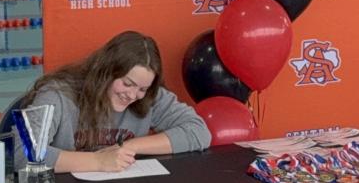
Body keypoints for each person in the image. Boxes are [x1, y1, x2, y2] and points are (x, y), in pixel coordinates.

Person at [14, 31, 212, 173]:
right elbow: (21, 152)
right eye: (127, 83)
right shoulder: (58, 95)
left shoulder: (151, 96)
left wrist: (129, 147)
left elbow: (199, 132)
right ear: (106, 73)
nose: (133, 95)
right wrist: (98, 161)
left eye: (142, 89)